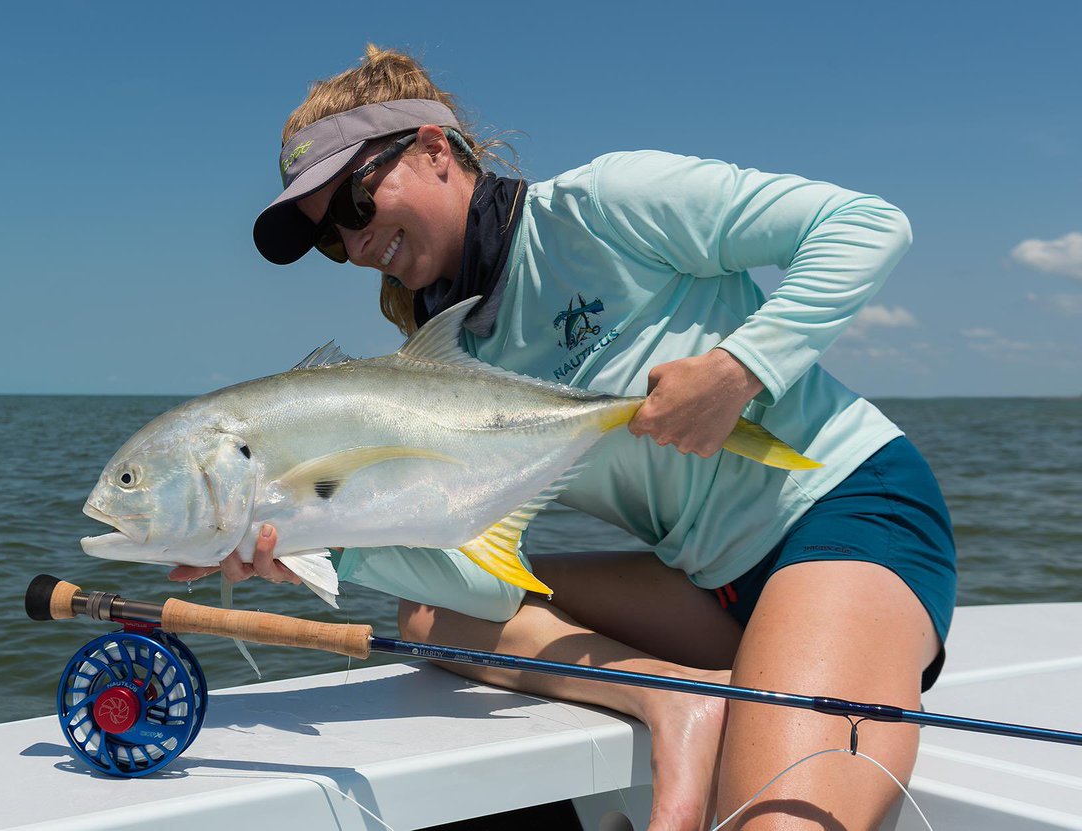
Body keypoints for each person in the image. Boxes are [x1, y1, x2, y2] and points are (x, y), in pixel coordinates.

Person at [172, 46, 957, 830]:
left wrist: (737, 368)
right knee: (424, 613)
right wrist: (318, 540)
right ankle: (671, 697)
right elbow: (481, 586)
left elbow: (864, 225)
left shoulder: (603, 204)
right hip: (707, 581)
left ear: (434, 149)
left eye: (353, 206)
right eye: (330, 241)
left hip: (845, 513)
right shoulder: (457, 354)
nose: (354, 245)